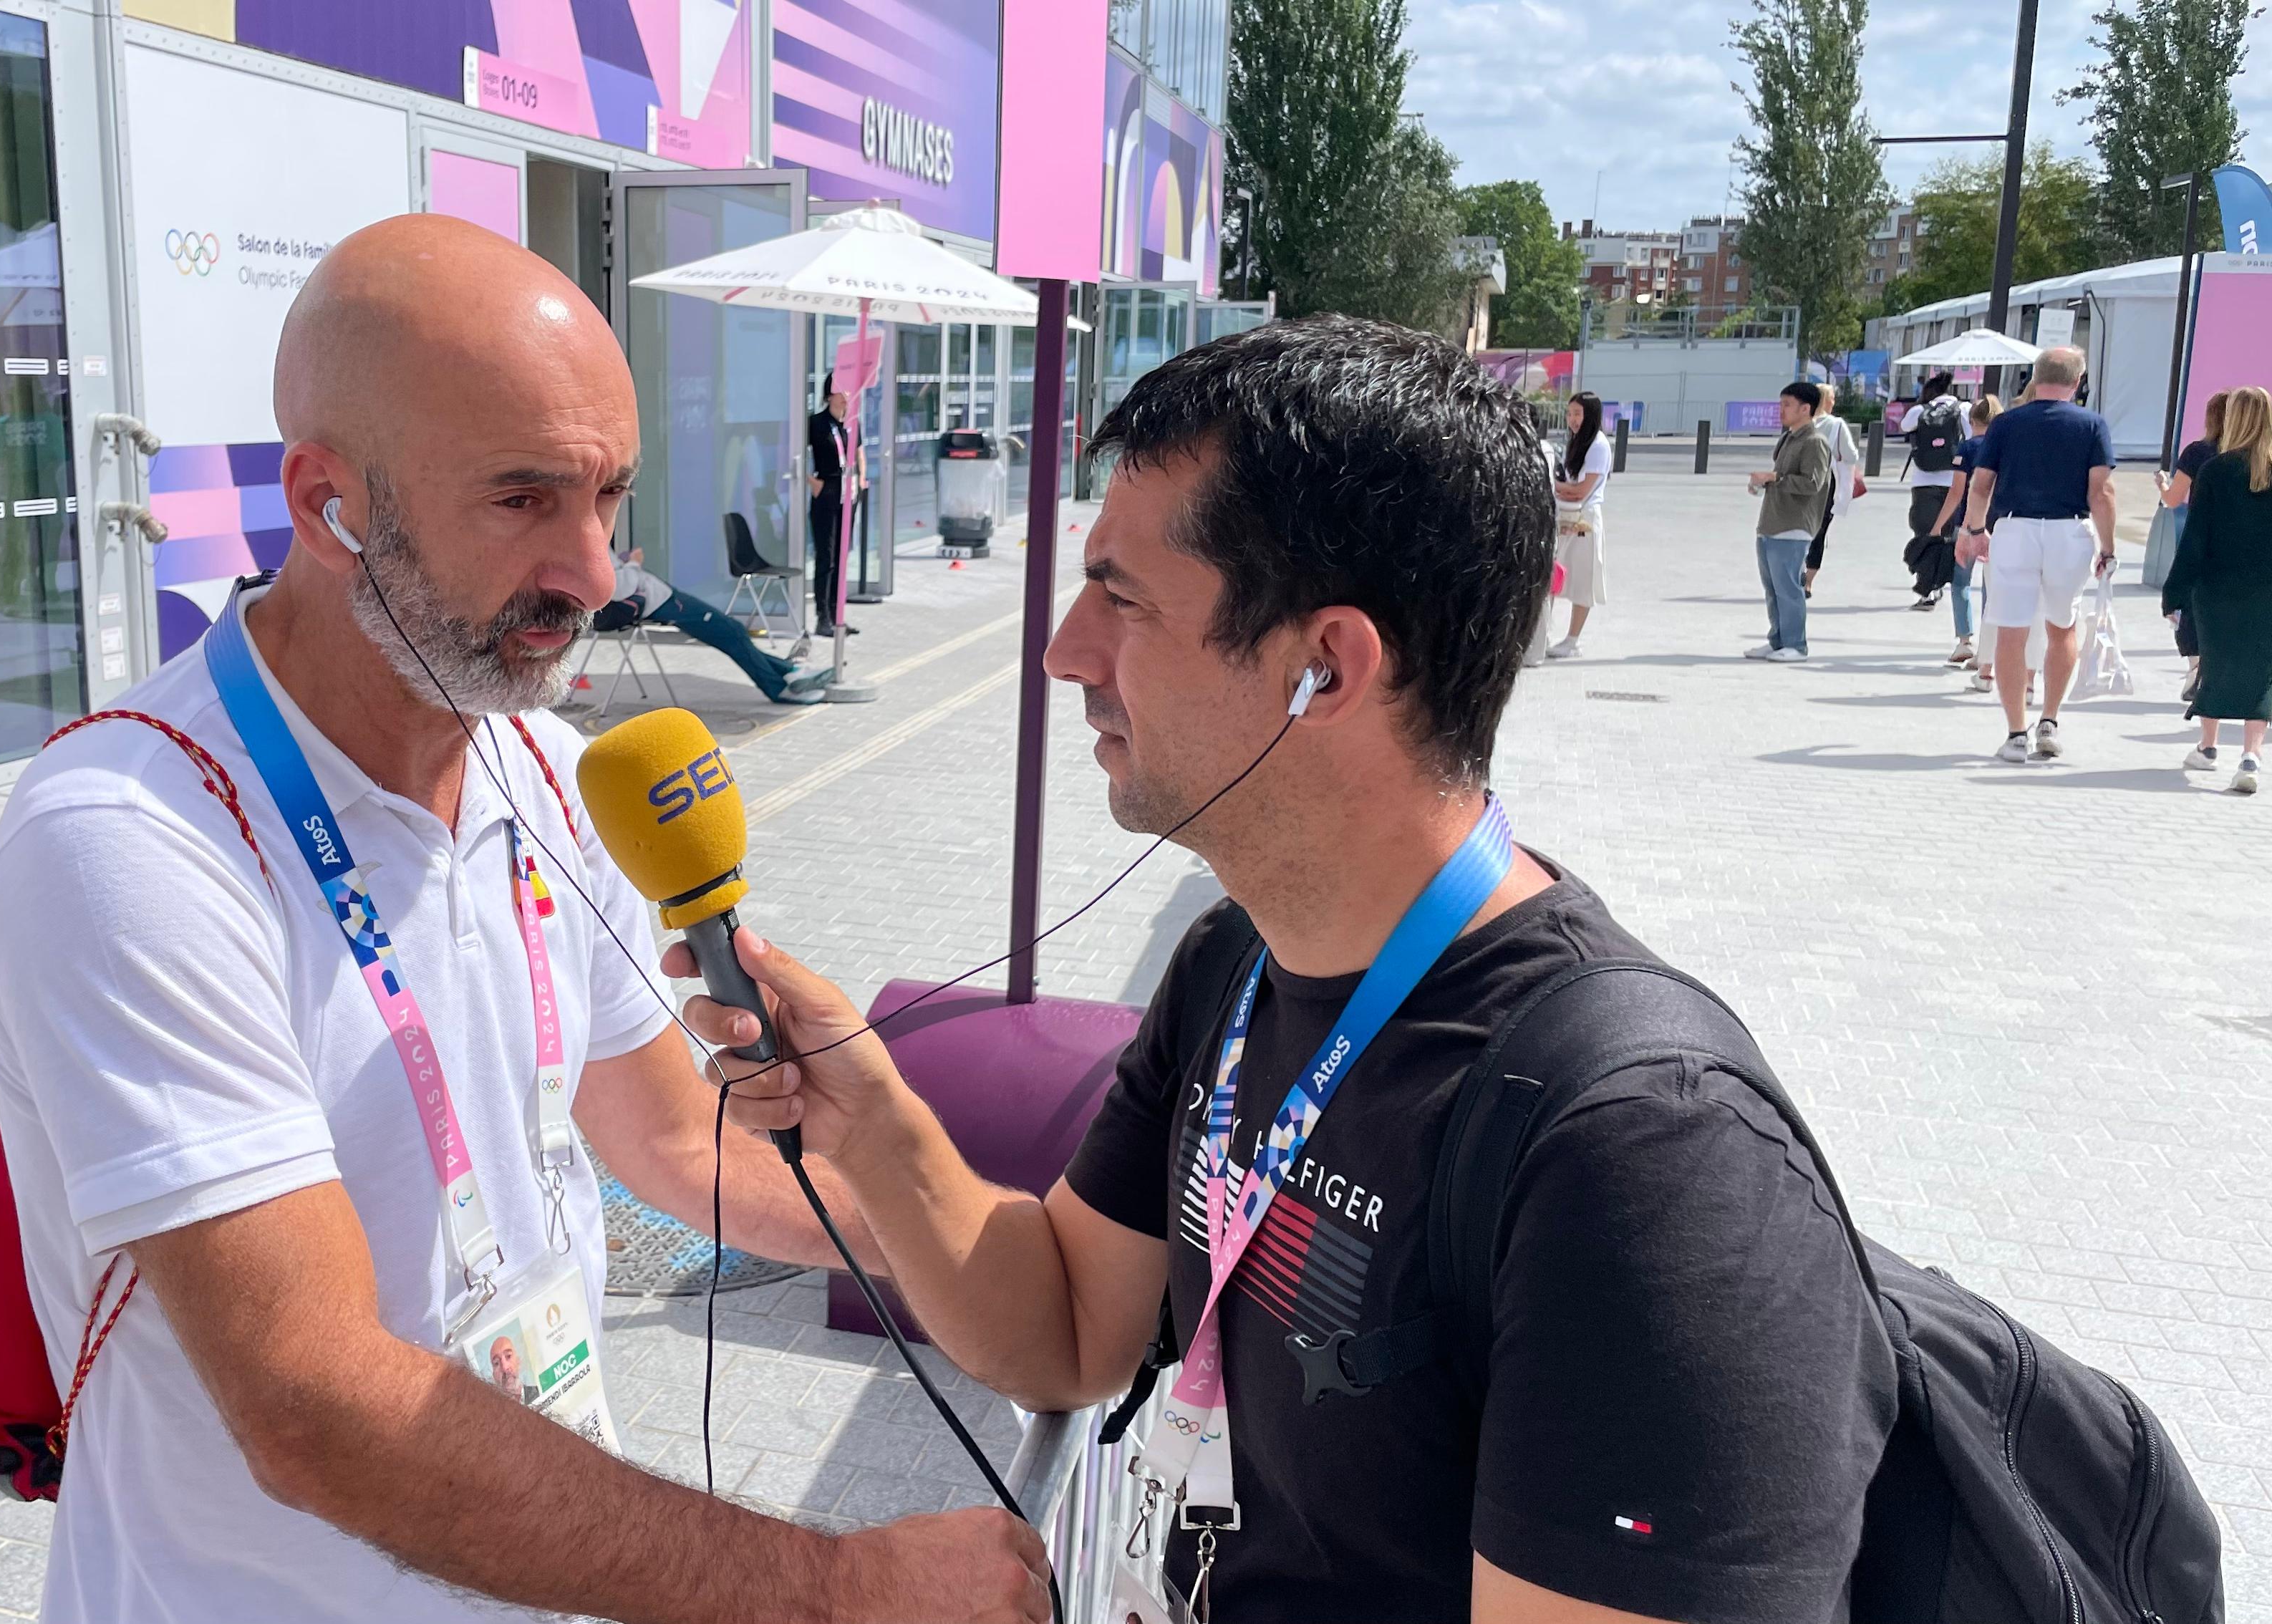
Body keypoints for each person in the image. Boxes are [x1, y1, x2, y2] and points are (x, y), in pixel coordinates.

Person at [667, 316, 1890, 1624]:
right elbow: (1072, 1326)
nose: (1063, 651)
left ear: (1324, 667)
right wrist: (876, 1119)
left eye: (1121, 598)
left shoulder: (1644, 1157)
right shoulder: (1235, 965)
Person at [0, 216, 1049, 1624]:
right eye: (524, 500)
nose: (595, 575)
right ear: (327, 507)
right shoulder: (128, 840)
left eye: (609, 498)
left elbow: (668, 1139)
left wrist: (988, 1263)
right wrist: (832, 1590)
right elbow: (315, 1407)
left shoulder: (538, 760)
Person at [1956, 345, 2117, 764]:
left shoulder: (2006, 423)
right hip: (2069, 530)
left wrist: (1975, 530)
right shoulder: (2092, 425)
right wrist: (2109, 547)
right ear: (2077, 382)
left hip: (2014, 528)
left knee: (2012, 629)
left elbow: (1980, 484)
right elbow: (2100, 493)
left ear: (2035, 377)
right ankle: (2049, 720)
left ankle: (2015, 732)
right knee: (2062, 627)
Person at [2164, 384, 2272, 793]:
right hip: (2267, 587)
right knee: (2262, 670)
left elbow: (2196, 537)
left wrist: (2174, 590)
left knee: (2214, 661)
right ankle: (2251, 755)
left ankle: (2208, 746)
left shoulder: (2216, 470)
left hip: (2217, 587)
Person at [597, 546, 833, 705]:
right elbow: (618, 586)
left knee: (732, 634)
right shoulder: (592, 531)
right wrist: (634, 564)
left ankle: (790, 672)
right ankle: (778, 689)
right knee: (732, 632)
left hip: (656, 598)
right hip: (657, 602)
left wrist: (625, 562)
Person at [1747, 382, 1833, 660]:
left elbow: (1813, 483)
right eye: (1781, 403)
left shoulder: (1815, 442)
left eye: (1787, 405)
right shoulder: (1788, 438)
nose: (1781, 410)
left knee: (1788, 589)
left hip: (1793, 526)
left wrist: (1775, 478)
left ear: (1805, 409)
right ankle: (1778, 640)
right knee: (1772, 588)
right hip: (1772, 522)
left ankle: (1796, 645)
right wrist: (1765, 482)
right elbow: (1780, 476)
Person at [1927, 395, 2001, 677]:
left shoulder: (1967, 448)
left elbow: (1958, 492)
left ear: (1972, 421)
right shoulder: (2003, 447)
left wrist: (1938, 526)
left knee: (1961, 583)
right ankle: (1988, 645)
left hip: (1969, 524)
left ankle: (1964, 640)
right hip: (1998, 523)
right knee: (1992, 589)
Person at [2162, 391, 2230, 697]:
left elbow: (2173, 499)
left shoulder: (2197, 452)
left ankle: (2197, 667)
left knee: (2192, 602)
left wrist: (2162, 485)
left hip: (2201, 536)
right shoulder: (2256, 454)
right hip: (2243, 539)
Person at [1544, 390, 1609, 659]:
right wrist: (1564, 489)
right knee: (1555, 575)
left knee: (1582, 577)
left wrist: (1552, 483)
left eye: (1578, 414)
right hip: (1568, 517)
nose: (1572, 419)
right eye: (1570, 413)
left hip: (1585, 521)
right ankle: (1545, 634)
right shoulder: (1578, 442)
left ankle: (1573, 640)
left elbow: (1581, 490)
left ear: (1591, 415)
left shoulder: (1598, 445)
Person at [1901, 373, 1966, 609]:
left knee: (1925, 534)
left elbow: (1904, 426)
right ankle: (1937, 586)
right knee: (1946, 536)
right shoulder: (1963, 409)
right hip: (1954, 482)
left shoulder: (1920, 412)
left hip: (1923, 482)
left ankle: (1926, 587)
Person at [1804, 381, 1867, 596]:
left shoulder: (1804, 422)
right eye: (1832, 397)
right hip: (1825, 482)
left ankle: (1795, 571)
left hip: (1801, 479)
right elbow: (1851, 455)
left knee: (1800, 527)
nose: (1834, 401)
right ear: (1826, 400)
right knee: (1819, 531)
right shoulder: (1836, 424)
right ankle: (1809, 581)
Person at [809, 385, 858, 639]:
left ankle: (837, 615)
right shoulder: (817, 423)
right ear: (830, 395)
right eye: (842, 391)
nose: (847, 395)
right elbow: (792, 452)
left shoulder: (848, 424)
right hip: (826, 493)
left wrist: (861, 480)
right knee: (826, 558)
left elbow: (857, 451)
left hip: (847, 497)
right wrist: (811, 480)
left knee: (841, 558)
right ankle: (823, 617)